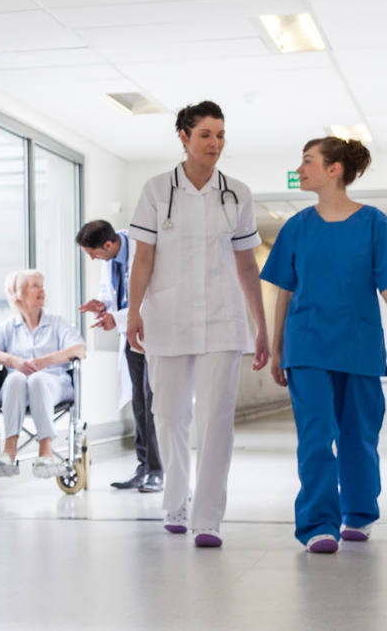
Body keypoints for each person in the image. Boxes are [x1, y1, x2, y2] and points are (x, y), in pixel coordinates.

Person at [126, 101, 270, 548]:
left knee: (216, 419)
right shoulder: (155, 190)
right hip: (167, 318)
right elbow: (144, 257)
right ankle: (176, 501)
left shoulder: (238, 194)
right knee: (168, 416)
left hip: (223, 320)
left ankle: (208, 517)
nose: (215, 143)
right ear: (184, 137)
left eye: (221, 135)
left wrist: (261, 325)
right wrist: (132, 313)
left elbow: (247, 266)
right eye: (206, 134)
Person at [261, 138, 387, 555]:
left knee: (358, 434)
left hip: (358, 343)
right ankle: (317, 524)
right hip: (307, 344)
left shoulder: (373, 223)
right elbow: (285, 293)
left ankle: (359, 513)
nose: (300, 168)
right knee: (315, 435)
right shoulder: (296, 227)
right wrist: (277, 349)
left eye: (308, 162)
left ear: (334, 170)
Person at [0, 270, 88, 478]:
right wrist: (13, 361)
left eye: (42, 285)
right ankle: (9, 450)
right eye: (35, 286)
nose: (42, 290)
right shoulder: (9, 327)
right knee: (17, 377)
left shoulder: (57, 323)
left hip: (54, 385)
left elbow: (79, 350)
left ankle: (46, 451)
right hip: (15, 391)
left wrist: (46, 361)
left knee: (37, 378)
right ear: (18, 294)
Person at [77, 220, 161, 493]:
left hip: (152, 334)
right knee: (138, 402)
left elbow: (150, 298)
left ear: (109, 244)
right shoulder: (110, 260)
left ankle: (157, 470)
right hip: (131, 337)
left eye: (94, 252)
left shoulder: (143, 249)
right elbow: (117, 297)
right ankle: (143, 467)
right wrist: (103, 307)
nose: (93, 258)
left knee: (152, 403)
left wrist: (118, 317)